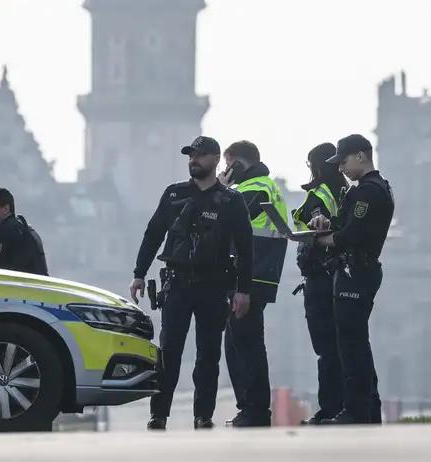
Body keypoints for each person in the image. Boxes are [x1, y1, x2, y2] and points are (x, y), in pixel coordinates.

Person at [129, 136, 254, 431]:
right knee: (168, 352)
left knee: (208, 355)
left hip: (214, 285)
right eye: (190, 156)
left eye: (199, 155)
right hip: (178, 284)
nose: (193, 160)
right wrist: (138, 272)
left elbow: (246, 248)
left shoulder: (231, 201)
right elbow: (153, 234)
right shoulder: (174, 195)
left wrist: (243, 291)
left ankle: (203, 415)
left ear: (214, 159)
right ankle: (158, 414)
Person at [310, 134, 394, 425]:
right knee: (357, 343)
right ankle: (367, 411)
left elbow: (351, 235)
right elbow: (345, 225)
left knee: (351, 346)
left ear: (360, 156)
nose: (341, 168)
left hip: (355, 272)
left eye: (343, 161)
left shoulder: (368, 192)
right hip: (358, 271)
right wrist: (325, 224)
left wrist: (321, 241)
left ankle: (356, 411)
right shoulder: (372, 189)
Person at [219, 141, 289, 428]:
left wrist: (220, 190)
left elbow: (224, 223)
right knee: (239, 343)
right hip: (256, 274)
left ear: (237, 162)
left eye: (227, 164)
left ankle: (255, 411)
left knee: (245, 343)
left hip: (251, 276)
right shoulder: (262, 186)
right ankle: (250, 408)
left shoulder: (252, 189)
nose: (224, 170)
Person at [292, 142, 348, 424]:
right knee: (341, 347)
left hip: (320, 277)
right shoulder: (345, 190)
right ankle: (343, 406)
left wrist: (315, 219)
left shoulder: (320, 192)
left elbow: (313, 215)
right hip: (338, 275)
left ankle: (330, 409)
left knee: (326, 349)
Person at [0, 187, 49, 276]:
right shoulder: (25, 228)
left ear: (5, 209)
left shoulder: (5, 231)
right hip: (37, 287)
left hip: (22, 288)